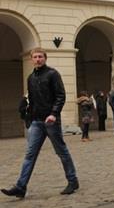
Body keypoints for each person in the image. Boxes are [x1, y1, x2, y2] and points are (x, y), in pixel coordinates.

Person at [1, 48, 79, 198]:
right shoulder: (30, 78)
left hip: (50, 120)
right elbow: (31, 99)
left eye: (40, 57)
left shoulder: (52, 74)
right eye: (35, 57)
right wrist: (28, 117)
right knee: (30, 154)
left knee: (61, 151)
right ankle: (21, 186)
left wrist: (54, 114)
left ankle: (72, 180)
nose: (38, 59)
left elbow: (60, 96)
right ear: (31, 59)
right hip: (36, 122)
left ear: (45, 58)